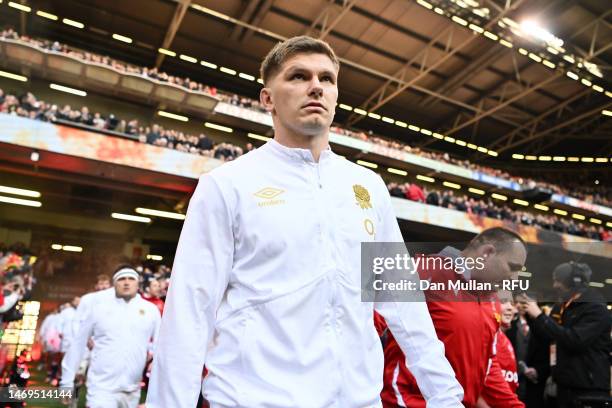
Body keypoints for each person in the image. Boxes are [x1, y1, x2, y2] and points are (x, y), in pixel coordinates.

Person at [147, 35, 463, 408]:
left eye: (327, 79)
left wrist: (446, 396)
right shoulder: (227, 185)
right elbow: (188, 313)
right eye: (298, 76)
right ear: (268, 99)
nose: (316, 86)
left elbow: (403, 302)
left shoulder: (368, 187)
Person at [376, 227, 527, 407]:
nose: (515, 278)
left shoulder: (493, 301)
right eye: (513, 267)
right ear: (487, 253)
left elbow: (487, 366)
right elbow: (366, 330)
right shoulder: (421, 271)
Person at [60, 265, 161, 408]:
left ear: (138, 283)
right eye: (121, 279)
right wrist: (66, 381)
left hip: (132, 389)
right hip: (101, 387)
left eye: (131, 279)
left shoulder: (151, 310)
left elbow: (160, 344)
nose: (126, 282)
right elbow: (77, 344)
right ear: (114, 284)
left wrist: (154, 361)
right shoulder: (98, 309)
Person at [519, 262, 611, 408]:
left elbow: (575, 340)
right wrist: (530, 316)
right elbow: (548, 336)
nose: (555, 285)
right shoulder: (562, 305)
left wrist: (539, 316)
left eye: (558, 281)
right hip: (562, 386)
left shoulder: (595, 306)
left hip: (588, 390)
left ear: (573, 281)